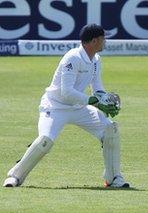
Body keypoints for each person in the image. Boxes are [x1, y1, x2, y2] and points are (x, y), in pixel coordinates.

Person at [3, 24, 130, 188]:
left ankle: (113, 178)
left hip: (79, 108)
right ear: (94, 41)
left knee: (110, 129)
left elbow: (97, 88)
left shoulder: (96, 60)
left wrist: (105, 102)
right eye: (103, 39)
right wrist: (94, 101)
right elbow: (66, 92)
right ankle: (15, 176)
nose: (105, 42)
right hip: (55, 107)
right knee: (45, 141)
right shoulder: (72, 58)